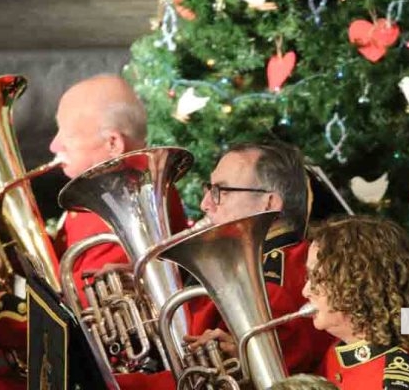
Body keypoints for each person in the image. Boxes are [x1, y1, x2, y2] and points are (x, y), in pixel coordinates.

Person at [0, 74, 187, 389]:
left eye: (67, 134)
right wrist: (7, 235)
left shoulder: (126, 201)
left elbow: (77, 325)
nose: (53, 145)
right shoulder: (105, 195)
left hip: (112, 371)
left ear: (113, 144)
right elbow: (62, 272)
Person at [117, 142, 334, 389]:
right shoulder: (283, 263)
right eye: (209, 189)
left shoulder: (271, 284)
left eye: (221, 191)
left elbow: (202, 378)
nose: (205, 204)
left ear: (269, 202)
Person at [302, 215, 409, 389]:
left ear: (359, 289)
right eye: (309, 277)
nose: (305, 291)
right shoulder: (346, 345)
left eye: (317, 279)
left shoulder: (392, 379)